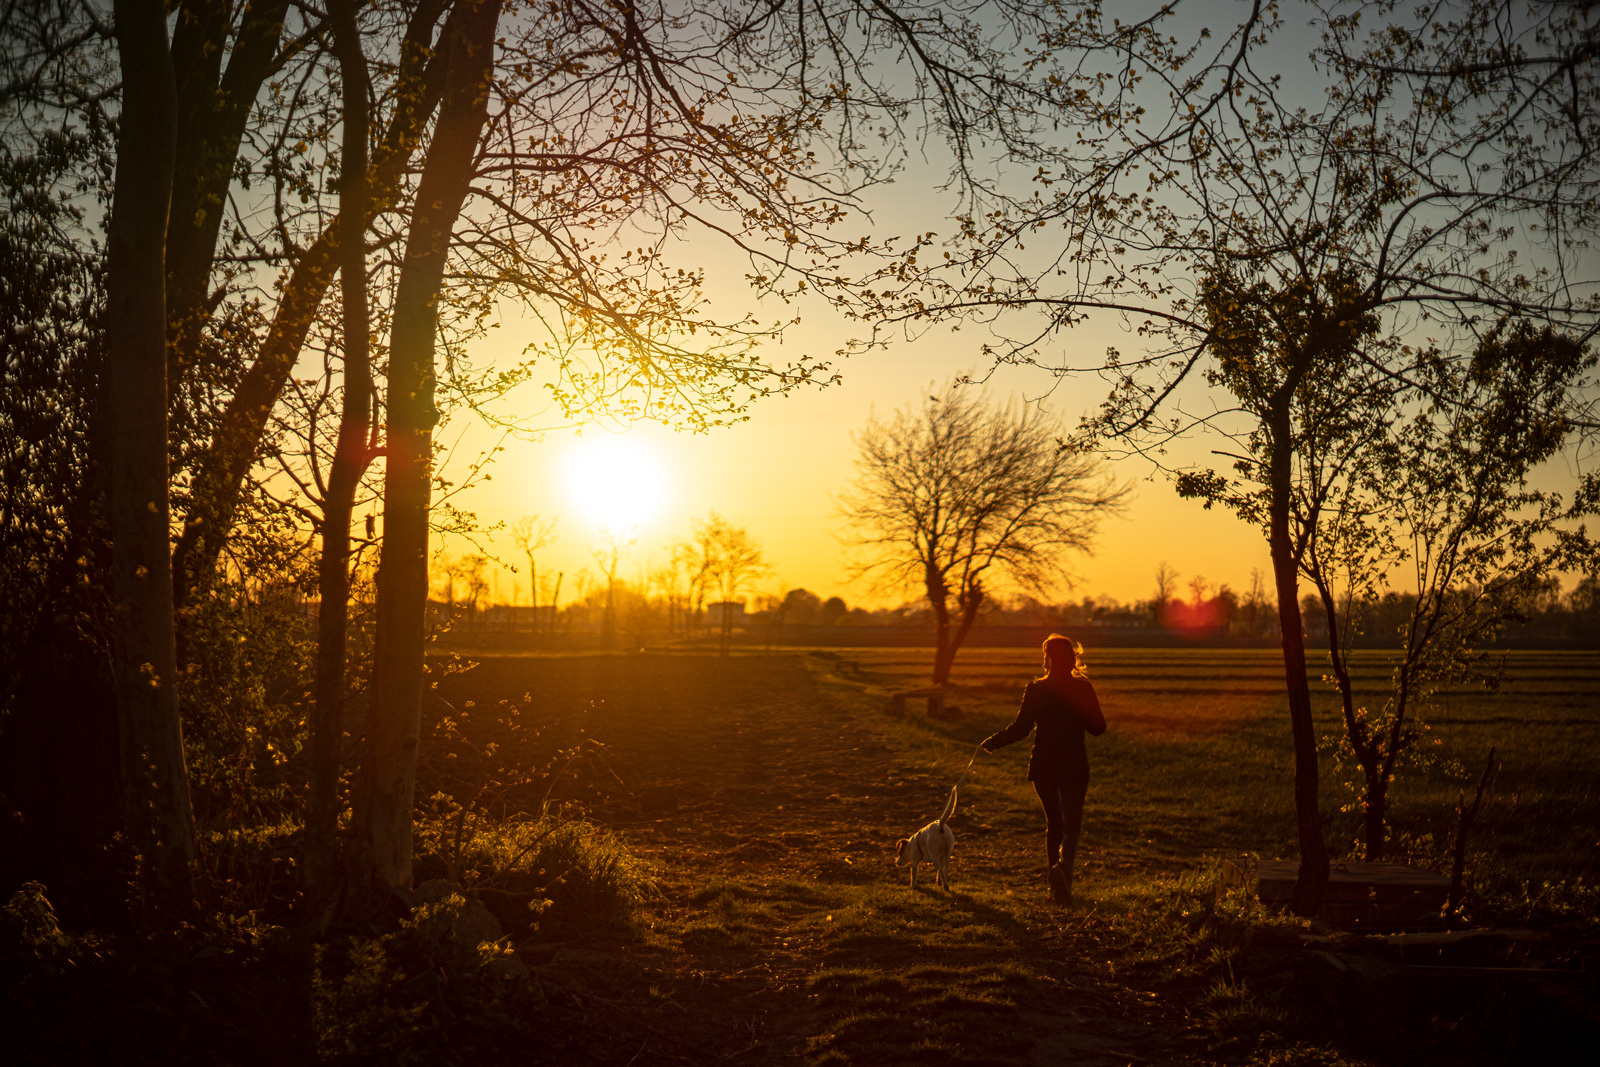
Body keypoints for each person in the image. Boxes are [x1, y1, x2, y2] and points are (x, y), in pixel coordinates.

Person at [981, 634, 1106, 905]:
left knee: (1054, 825)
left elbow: (1021, 729)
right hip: (1074, 765)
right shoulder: (1083, 688)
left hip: (1043, 766)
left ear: (1047, 659)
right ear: (1073, 658)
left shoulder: (1036, 689)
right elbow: (1099, 728)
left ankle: (1055, 887)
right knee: (1072, 827)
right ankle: (1063, 873)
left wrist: (993, 742)